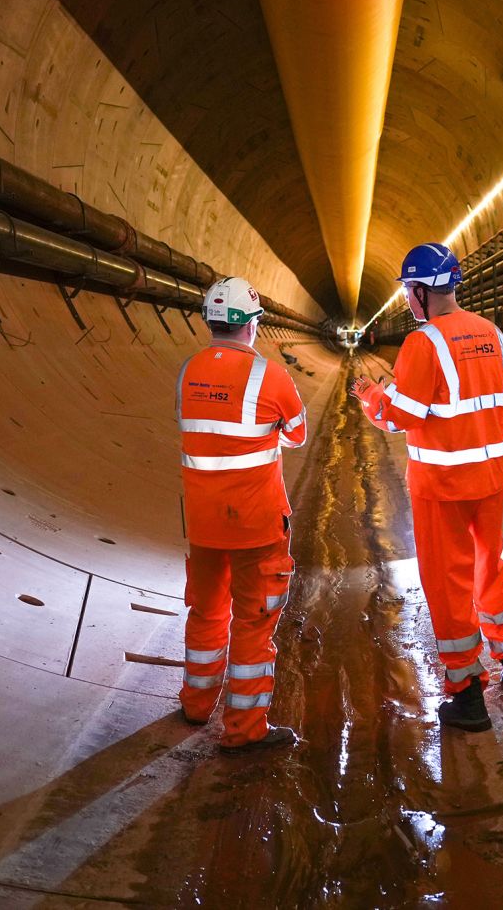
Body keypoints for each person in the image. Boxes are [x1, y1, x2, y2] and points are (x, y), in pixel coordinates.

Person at [351, 243, 503, 732]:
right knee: (488, 565)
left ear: (420, 291)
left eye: (409, 292)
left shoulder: (423, 343)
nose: (408, 302)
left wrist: (371, 397)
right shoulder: (493, 335)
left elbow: (402, 414)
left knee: (448, 584)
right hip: (490, 476)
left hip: (441, 483)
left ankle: (468, 695)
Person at [175, 277, 307, 752]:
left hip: (205, 525)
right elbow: (295, 435)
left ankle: (194, 705)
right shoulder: (270, 377)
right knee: (253, 623)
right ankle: (245, 730)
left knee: (207, 613)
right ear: (252, 325)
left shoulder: (188, 372)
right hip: (256, 524)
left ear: (210, 322)